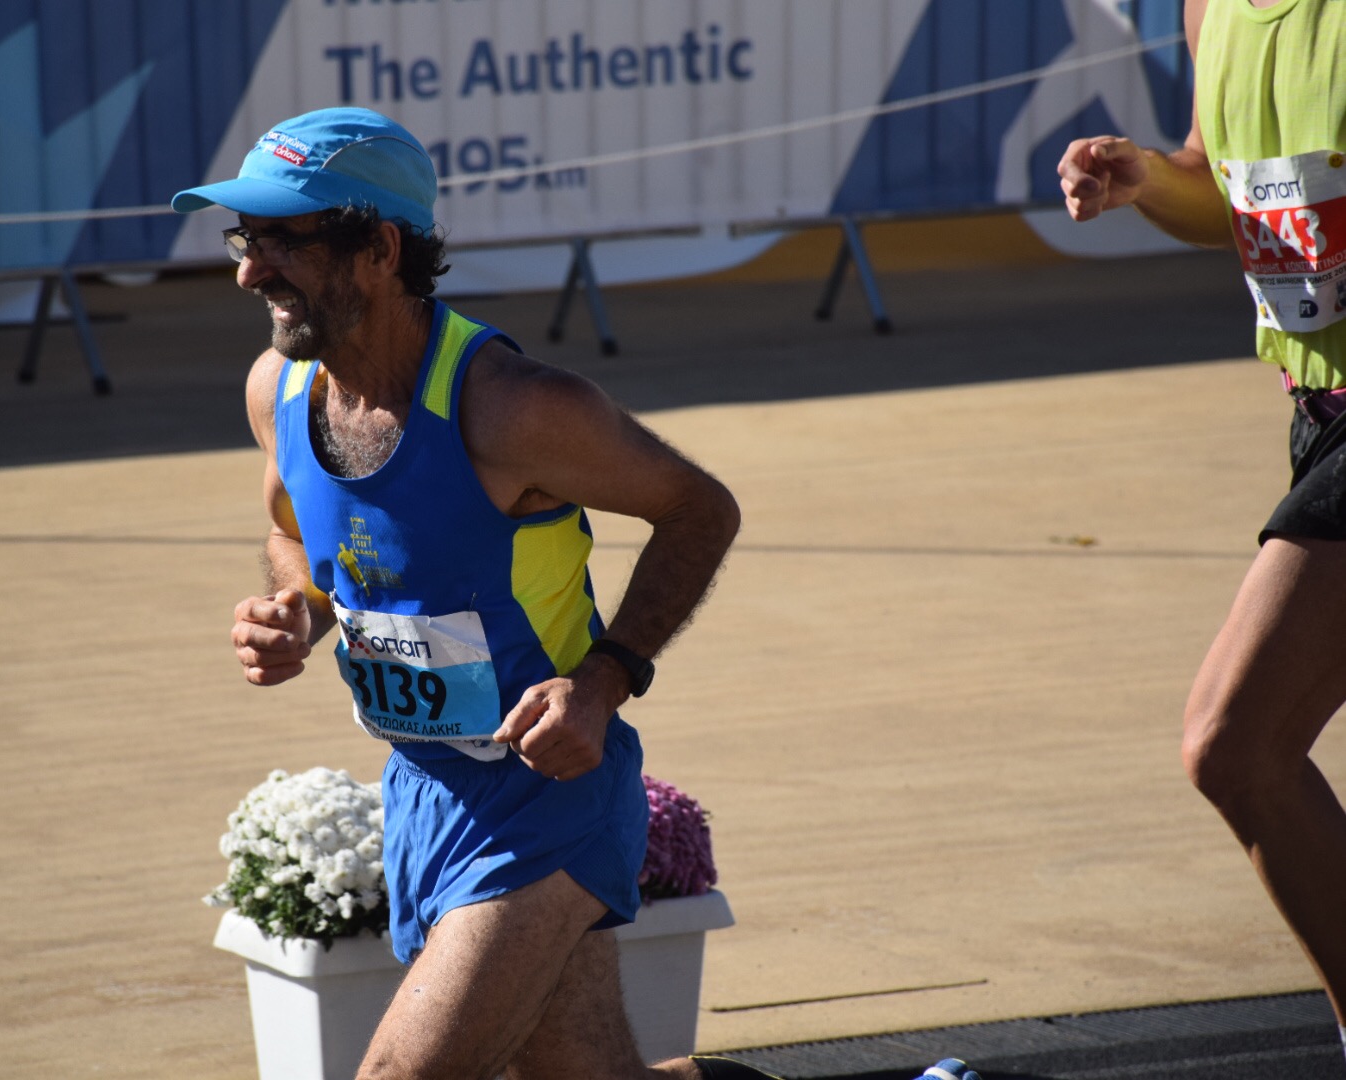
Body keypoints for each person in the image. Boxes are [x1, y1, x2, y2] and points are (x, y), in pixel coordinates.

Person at [177, 106, 980, 1080]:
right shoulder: (278, 391)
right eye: (245, 239)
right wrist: (296, 611)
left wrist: (603, 681)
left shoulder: (513, 407)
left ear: (380, 249)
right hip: (423, 789)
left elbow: (699, 510)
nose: (249, 272)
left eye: (284, 243)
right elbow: (294, 531)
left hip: (549, 799)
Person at [1056, 0, 1346, 1060]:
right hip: (1318, 410)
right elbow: (1215, 184)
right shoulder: (1208, 7)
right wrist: (1145, 181)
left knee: (1236, 741)